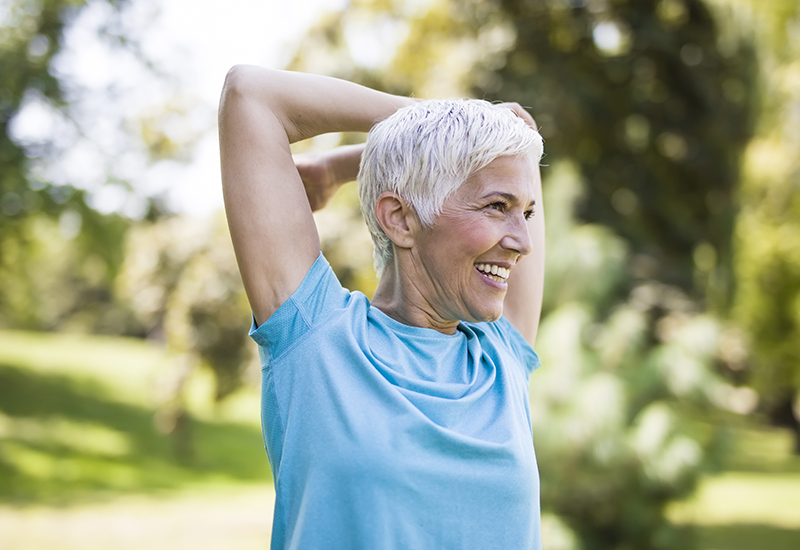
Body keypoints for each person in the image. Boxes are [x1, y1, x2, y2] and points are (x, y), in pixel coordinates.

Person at [218, 65, 546, 550]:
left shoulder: (503, 358)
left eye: (528, 213)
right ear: (400, 219)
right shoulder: (316, 339)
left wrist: (342, 165)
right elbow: (250, 94)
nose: (522, 242)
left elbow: (520, 149)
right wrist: (435, 122)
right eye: (497, 207)